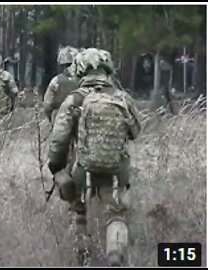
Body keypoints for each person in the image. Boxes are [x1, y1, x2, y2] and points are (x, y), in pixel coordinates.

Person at [47, 48, 142, 266]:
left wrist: (56, 167)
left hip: (83, 169)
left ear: (80, 70)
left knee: (78, 211)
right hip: (117, 170)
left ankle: (82, 259)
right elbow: (136, 132)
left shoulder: (74, 100)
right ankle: (115, 257)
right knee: (116, 214)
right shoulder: (122, 98)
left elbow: (59, 139)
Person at [43, 46, 79, 123]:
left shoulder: (56, 81)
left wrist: (51, 120)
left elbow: (47, 105)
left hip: (60, 121)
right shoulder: (83, 80)